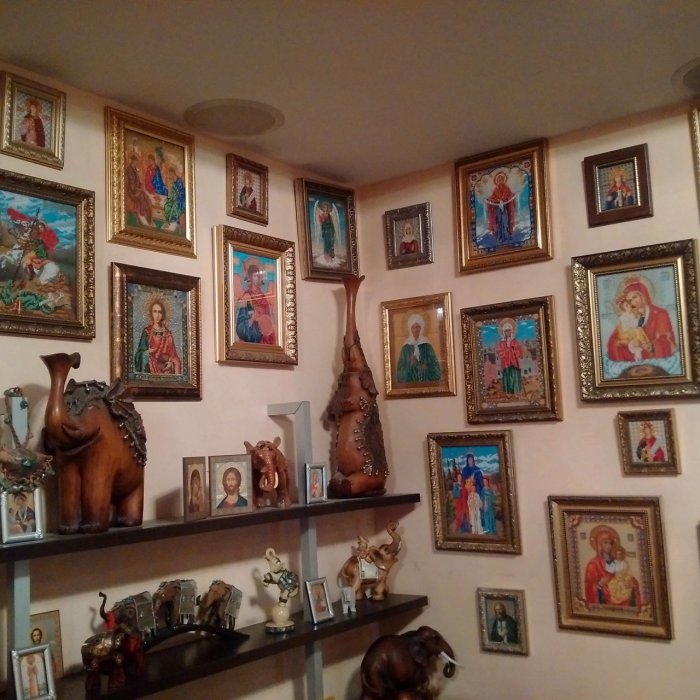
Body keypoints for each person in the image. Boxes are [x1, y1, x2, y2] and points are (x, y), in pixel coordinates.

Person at [607, 277, 676, 362]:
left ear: (643, 295)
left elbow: (666, 341)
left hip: (651, 353)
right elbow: (612, 342)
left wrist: (650, 346)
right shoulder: (628, 317)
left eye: (634, 297)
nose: (633, 302)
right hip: (634, 350)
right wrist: (624, 343)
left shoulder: (660, 314)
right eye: (629, 301)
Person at [583, 525, 641, 608]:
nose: (609, 546)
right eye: (605, 542)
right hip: (606, 598)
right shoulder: (593, 564)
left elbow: (625, 574)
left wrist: (632, 583)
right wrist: (600, 584)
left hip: (621, 591)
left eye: (610, 543)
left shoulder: (617, 560)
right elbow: (589, 587)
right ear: (599, 544)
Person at [134, 298, 182, 374]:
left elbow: (174, 356)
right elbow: (139, 354)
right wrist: (147, 353)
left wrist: (171, 363)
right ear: (151, 313)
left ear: (163, 314)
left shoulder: (168, 334)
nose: (157, 315)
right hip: (150, 368)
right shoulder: (147, 332)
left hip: (166, 370)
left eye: (160, 312)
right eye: (155, 311)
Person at [235, 261, 276, 344]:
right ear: (250, 277)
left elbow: (268, 316)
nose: (256, 279)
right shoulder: (247, 296)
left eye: (257, 276)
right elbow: (240, 326)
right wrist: (252, 319)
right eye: (254, 276)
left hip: (265, 335)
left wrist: (264, 318)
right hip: (252, 335)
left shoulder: (263, 297)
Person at [396, 313, 441, 383]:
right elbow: (399, 375)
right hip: (410, 386)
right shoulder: (405, 348)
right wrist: (410, 364)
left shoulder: (427, 346)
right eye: (413, 327)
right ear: (410, 329)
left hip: (427, 385)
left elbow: (436, 371)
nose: (415, 330)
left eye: (418, 327)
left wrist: (426, 367)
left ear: (421, 328)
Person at [614, 294, 651, 362]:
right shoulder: (623, 317)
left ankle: (644, 345)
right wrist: (641, 316)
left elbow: (639, 324)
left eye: (629, 304)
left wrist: (641, 315)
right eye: (626, 306)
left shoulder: (632, 313)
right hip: (626, 334)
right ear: (623, 309)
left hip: (632, 331)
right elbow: (634, 325)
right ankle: (644, 344)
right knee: (638, 330)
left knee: (639, 330)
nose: (629, 306)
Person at [486, 171, 516, 243]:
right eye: (498, 179)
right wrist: (489, 200)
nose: (500, 180)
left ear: (503, 180)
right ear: (496, 181)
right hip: (498, 210)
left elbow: (510, 196)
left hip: (505, 209)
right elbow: (493, 198)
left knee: (505, 222)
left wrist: (507, 199)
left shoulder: (507, 188)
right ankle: (499, 236)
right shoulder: (495, 189)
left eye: (501, 179)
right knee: (498, 223)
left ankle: (507, 235)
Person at [125, 153, 153, 226]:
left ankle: (147, 216)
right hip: (131, 191)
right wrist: (139, 189)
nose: (136, 164)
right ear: (132, 161)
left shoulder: (135, 170)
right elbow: (131, 185)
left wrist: (141, 186)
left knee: (146, 196)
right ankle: (141, 213)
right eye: (135, 162)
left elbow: (138, 182)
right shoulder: (129, 170)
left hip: (136, 189)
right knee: (142, 194)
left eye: (136, 162)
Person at [496, 320, 523, 396]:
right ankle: (508, 393)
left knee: (515, 376)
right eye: (506, 331)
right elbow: (499, 352)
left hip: (513, 362)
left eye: (509, 331)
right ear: (504, 332)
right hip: (506, 362)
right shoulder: (501, 342)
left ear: (511, 332)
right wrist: (506, 351)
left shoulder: (514, 341)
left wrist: (514, 350)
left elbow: (519, 351)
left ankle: (516, 392)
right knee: (507, 377)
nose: (507, 332)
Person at [163, 164, 186, 232]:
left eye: (170, 174)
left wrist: (177, 198)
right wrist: (170, 198)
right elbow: (172, 193)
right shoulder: (174, 182)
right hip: (175, 198)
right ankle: (168, 222)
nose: (169, 176)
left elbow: (181, 192)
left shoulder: (179, 182)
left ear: (173, 173)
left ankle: (172, 223)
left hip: (181, 200)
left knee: (174, 207)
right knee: (167, 205)